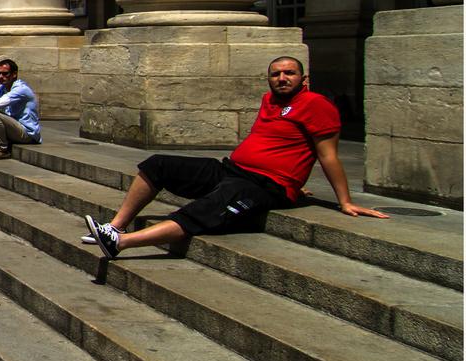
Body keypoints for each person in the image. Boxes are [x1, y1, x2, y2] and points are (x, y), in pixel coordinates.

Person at [84, 56, 390, 259]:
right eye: (276, 74)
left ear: (304, 78)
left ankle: (120, 244)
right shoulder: (269, 100)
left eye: (289, 73)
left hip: (266, 185)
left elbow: (328, 156)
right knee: (158, 164)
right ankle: (117, 226)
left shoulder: (316, 104)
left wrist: (344, 201)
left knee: (207, 207)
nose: (282, 78)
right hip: (234, 169)